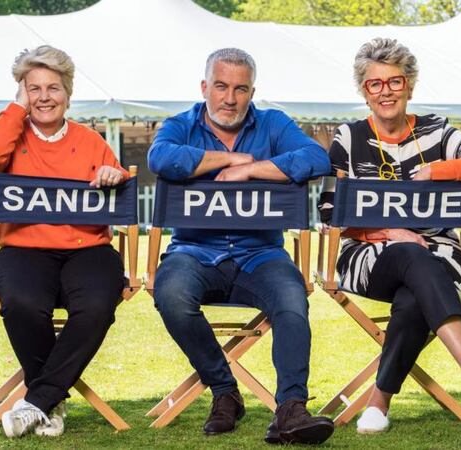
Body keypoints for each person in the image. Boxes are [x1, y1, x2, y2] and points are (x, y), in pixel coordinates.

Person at [317, 38, 461, 434]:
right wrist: (389, 231)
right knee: (411, 254)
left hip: (440, 256)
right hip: (368, 254)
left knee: (412, 296)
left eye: (395, 81)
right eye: (375, 84)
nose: (386, 91)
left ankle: (378, 403)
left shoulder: (436, 132)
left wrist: (438, 171)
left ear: (410, 85)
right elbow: (329, 211)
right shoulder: (348, 139)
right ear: (364, 92)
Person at [147, 48, 334, 445]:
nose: (230, 99)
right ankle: (224, 391)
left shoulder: (274, 124)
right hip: (194, 252)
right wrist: (225, 158)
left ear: (252, 92)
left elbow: (316, 158)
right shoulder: (179, 125)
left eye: (240, 89)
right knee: (172, 295)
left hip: (260, 254)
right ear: (205, 88)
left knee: (291, 300)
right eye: (221, 87)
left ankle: (290, 410)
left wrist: (249, 168)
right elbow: (161, 158)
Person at [0, 45, 129, 438]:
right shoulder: (9, 135)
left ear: (68, 93)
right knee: (23, 303)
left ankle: (38, 401)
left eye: (53, 88)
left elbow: (118, 183)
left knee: (96, 305)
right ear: (22, 94)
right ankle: (51, 399)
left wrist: (113, 175)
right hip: (23, 249)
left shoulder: (91, 140)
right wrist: (16, 109)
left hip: (88, 249)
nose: (44, 97)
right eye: (34, 89)